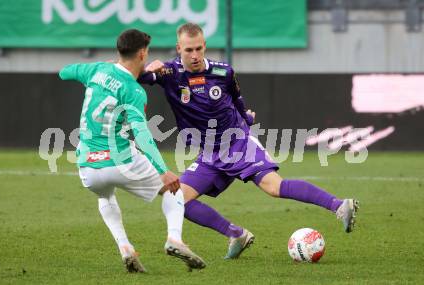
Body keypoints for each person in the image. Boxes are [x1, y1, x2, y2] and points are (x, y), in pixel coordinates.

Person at [138, 23, 360, 260]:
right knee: (176, 199)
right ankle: (237, 234)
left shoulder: (223, 72)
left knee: (274, 187)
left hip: (238, 143)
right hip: (210, 153)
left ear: (205, 47)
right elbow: (135, 75)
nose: (194, 55)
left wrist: (246, 118)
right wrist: (148, 67)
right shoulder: (169, 73)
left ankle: (339, 206)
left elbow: (237, 99)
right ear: (178, 48)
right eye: (188, 50)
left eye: (199, 49)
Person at [58, 29, 205, 273]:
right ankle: (174, 239)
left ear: (118, 51)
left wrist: (101, 67)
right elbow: (143, 136)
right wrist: (163, 171)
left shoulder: (96, 70)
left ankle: (125, 248)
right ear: (141, 53)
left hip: (87, 166)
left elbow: (64, 72)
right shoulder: (134, 91)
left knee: (105, 197)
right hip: (120, 161)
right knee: (173, 190)